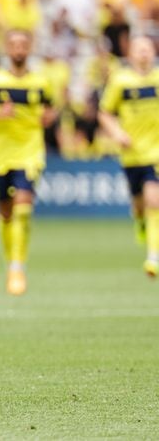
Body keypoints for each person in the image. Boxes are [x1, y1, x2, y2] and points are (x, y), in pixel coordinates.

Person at [0, 30, 55, 296]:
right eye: (14, 45)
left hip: (30, 153)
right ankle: (11, 263)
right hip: (0, 155)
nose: (19, 49)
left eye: (23, 44)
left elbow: (51, 106)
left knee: (23, 208)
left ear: (29, 48)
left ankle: (18, 267)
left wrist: (48, 118)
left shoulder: (42, 80)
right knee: (5, 211)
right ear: (7, 49)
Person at [98, 36, 159, 278]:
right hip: (132, 153)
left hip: (156, 153)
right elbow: (105, 113)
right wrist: (117, 133)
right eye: (139, 49)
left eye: (148, 49)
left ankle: (153, 257)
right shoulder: (121, 81)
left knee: (155, 201)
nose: (144, 53)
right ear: (130, 54)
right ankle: (141, 223)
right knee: (139, 204)